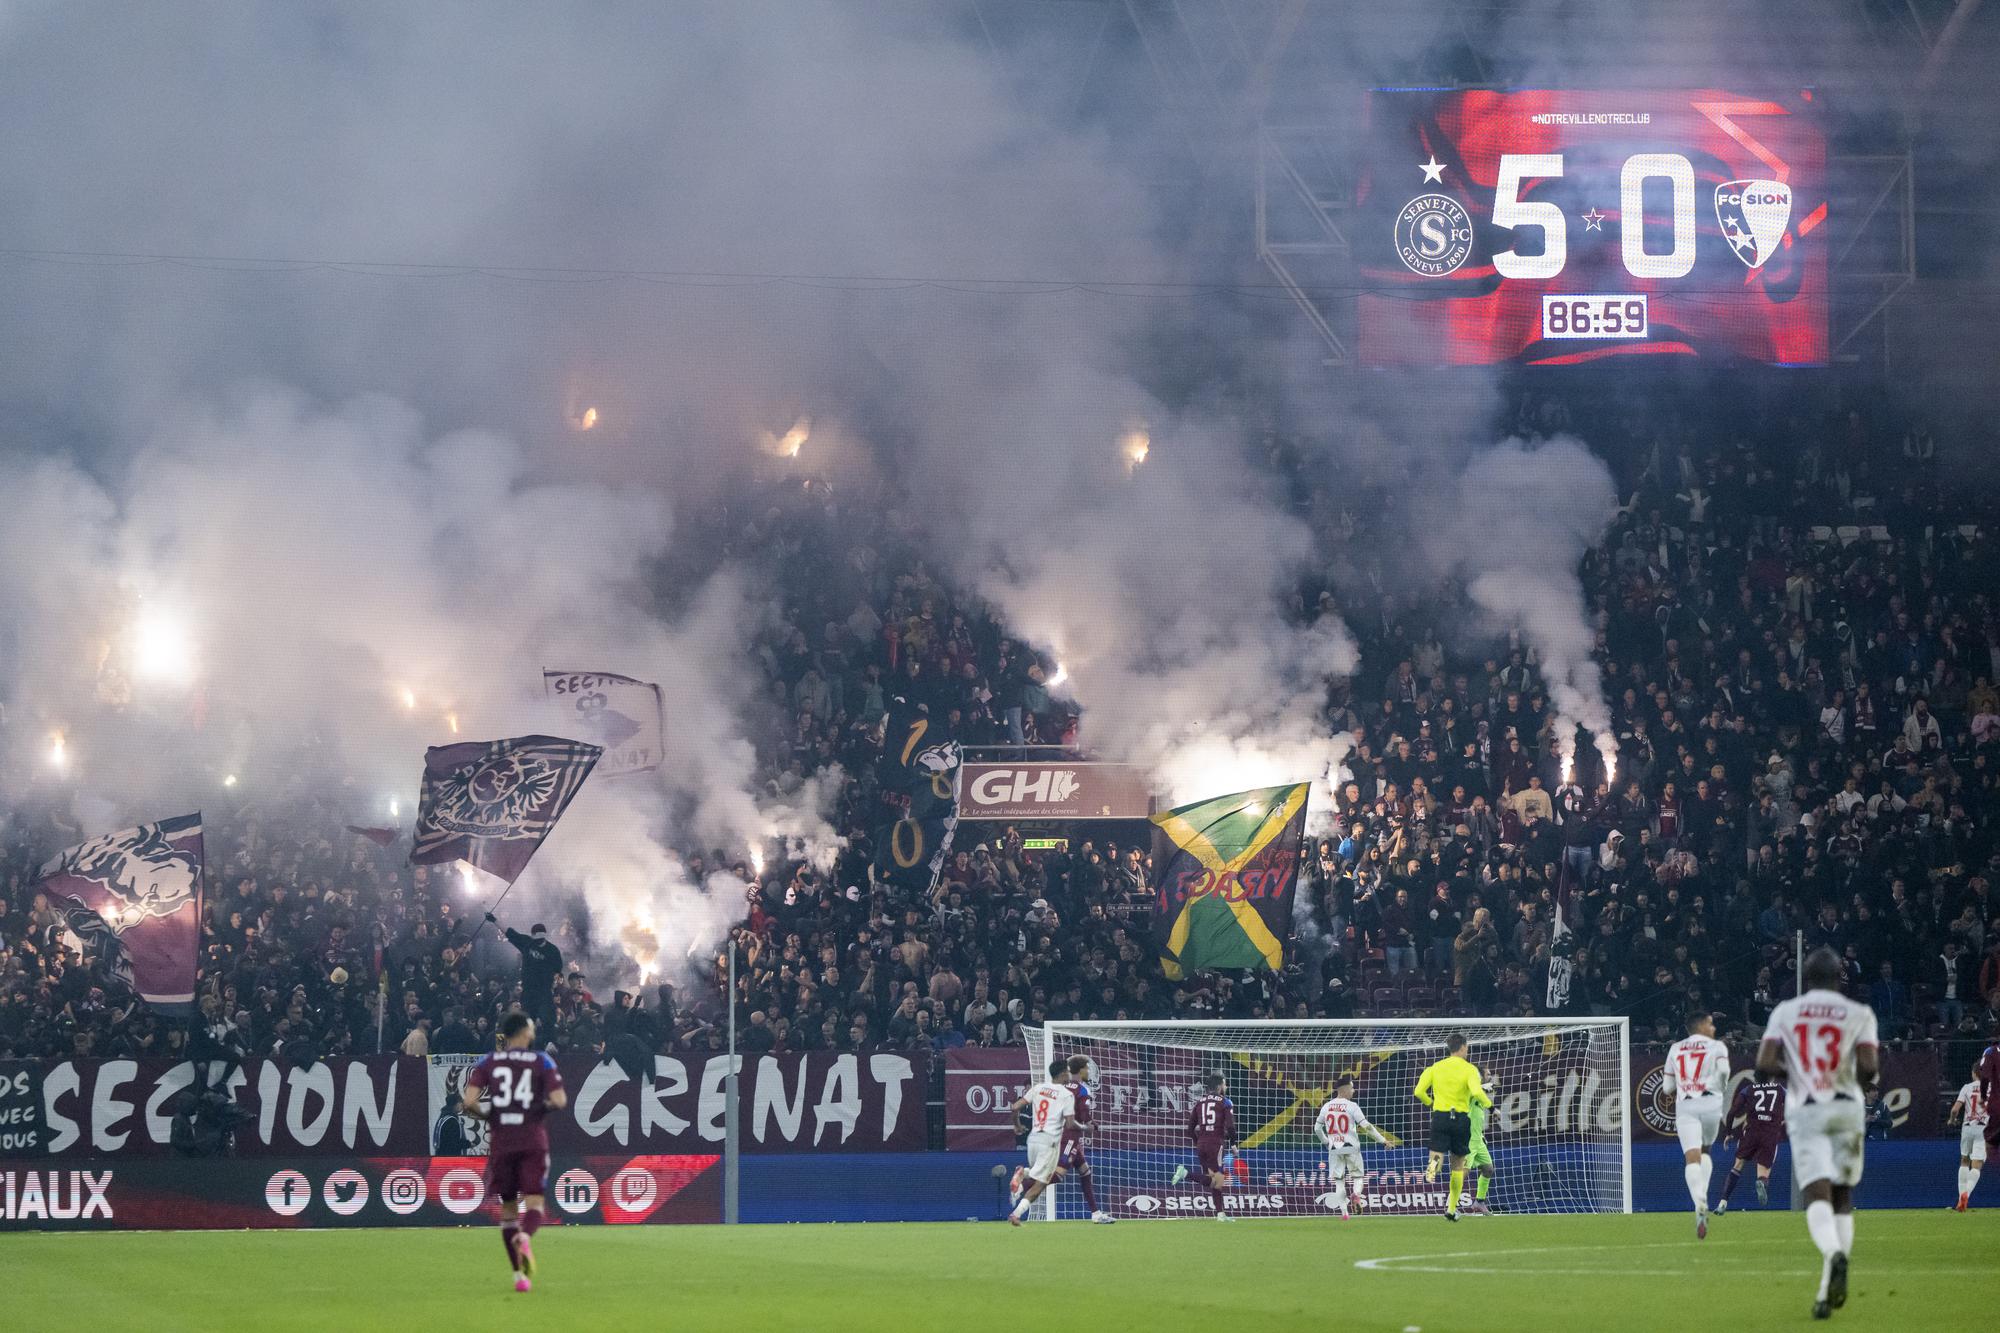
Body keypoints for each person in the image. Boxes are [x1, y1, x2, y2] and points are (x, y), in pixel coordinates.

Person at [1757, 947, 1879, 1321]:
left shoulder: (1785, 1012)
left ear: (1805, 979)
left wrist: (1797, 1074)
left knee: (1816, 1193)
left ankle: (1832, 1255)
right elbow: (1870, 1069)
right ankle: (1826, 1290)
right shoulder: (1859, 1014)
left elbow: (1763, 1064)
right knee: (1843, 1194)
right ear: (1839, 977)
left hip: (1806, 1107)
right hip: (1846, 1107)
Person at [462, 1013, 569, 1294]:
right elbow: (559, 1100)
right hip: (532, 1138)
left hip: (502, 1141)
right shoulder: (541, 1060)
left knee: (508, 1209)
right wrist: (535, 1110)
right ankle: (525, 1235)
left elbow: (469, 1101)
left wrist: (491, 1115)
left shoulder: (489, 1062)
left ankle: (519, 1278)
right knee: (534, 1204)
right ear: (525, 1031)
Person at [1663, 1010, 1730, 1236]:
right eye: (1710, 1024)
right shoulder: (1717, 1046)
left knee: (1691, 1156)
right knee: (1706, 1150)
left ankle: (1698, 1200)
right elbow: (1724, 1070)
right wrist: (1721, 1084)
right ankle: (1704, 1196)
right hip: (1711, 1103)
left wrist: (1684, 1083)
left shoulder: (1675, 1048)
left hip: (1687, 1106)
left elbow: (1666, 1088)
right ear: (1700, 1026)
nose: (1713, 1028)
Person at [1413, 1033, 1490, 1222]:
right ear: (1463, 1047)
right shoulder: (1470, 1069)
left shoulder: (1435, 1067)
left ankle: (1431, 1172)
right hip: (1461, 1119)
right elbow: (1476, 1091)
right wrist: (1489, 1104)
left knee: (1436, 1159)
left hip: (1440, 1116)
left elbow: (1418, 1091)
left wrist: (1431, 1102)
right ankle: (1451, 1208)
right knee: (1458, 1165)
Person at [1006, 1059, 1075, 1226]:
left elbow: (1015, 1107)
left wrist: (1017, 1126)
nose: (1070, 1074)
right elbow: (1070, 1124)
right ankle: (1017, 1208)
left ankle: (1016, 1212)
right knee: (1042, 1182)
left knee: (1040, 1176)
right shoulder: (1067, 1094)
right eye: (1068, 1071)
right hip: (1049, 1141)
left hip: (1033, 1139)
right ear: (1063, 1074)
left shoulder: (1038, 1088)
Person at [1314, 1075, 1389, 1219]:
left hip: (1334, 1148)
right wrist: (1382, 1140)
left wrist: (1325, 1142)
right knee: (1358, 1176)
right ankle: (1356, 1194)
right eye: (1352, 1088)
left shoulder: (1326, 1106)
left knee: (1339, 1181)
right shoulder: (1352, 1106)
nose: (1354, 1091)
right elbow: (1366, 1126)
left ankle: (1344, 1213)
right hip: (1352, 1146)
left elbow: (1317, 1128)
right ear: (1346, 1089)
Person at [1714, 1073, 1786, 1212]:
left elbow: (1732, 1113)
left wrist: (1729, 1133)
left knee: (1738, 1165)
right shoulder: (1780, 1089)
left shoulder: (1748, 1089)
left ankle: (1723, 1202)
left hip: (1751, 1132)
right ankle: (1761, 1181)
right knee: (1764, 1170)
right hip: (1770, 1133)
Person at [1171, 1072, 1238, 1220]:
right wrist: (1233, 1144)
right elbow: (1231, 1127)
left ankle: (1220, 1214)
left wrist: (1198, 1142)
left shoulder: (1200, 1102)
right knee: (1218, 1180)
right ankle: (1185, 1174)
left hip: (1202, 1144)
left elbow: (1190, 1129)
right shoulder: (1225, 1102)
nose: (1225, 1086)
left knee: (1212, 1178)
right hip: (1216, 1144)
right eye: (1225, 1084)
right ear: (1220, 1086)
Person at [1060, 1054, 1112, 1223]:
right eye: (1087, 1068)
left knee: (1085, 1171)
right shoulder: (1082, 1089)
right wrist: (1092, 1125)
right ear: (1081, 1070)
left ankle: (1095, 1214)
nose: (1089, 1071)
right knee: (1058, 1174)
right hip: (1069, 1136)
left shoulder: (1062, 1086)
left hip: (1059, 1132)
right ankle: (1024, 1180)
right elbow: (1084, 1116)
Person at [492, 916, 563, 1031]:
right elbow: (510, 932)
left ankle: (548, 1043)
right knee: (526, 1022)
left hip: (544, 991)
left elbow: (558, 970)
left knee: (548, 1021)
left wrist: (555, 980)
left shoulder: (553, 950)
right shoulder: (527, 942)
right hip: (528, 990)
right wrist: (494, 920)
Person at [1949, 1061, 1988, 1211]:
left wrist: (1952, 1121)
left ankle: (1960, 1199)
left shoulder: (1966, 1087)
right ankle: (1967, 1194)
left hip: (1967, 1128)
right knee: (1977, 1164)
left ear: (1974, 1073)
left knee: (1964, 1160)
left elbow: (1954, 1110)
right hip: (1984, 1128)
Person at [1463, 1066, 1497, 1214]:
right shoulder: (1471, 1089)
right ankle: (1450, 1207)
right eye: (1488, 1074)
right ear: (1480, 1075)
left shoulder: (1481, 1094)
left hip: (1478, 1139)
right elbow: (1473, 1091)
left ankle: (1479, 1201)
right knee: (1462, 1172)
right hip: (1467, 1139)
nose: (1490, 1076)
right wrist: (1483, 1087)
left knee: (1488, 1169)